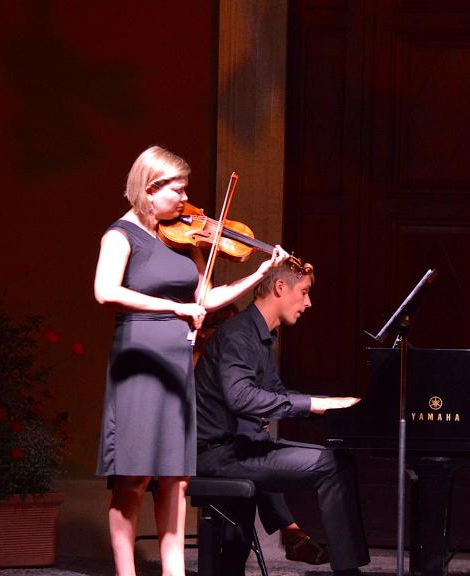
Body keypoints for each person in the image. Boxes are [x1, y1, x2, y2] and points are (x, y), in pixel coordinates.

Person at [93, 145, 290, 576]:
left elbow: (206, 297)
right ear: (149, 189)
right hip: (141, 362)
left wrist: (258, 274)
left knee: (175, 478)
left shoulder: (182, 240)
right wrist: (175, 309)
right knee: (134, 478)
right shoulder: (120, 235)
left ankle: (174, 571)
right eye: (176, 191)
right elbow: (105, 291)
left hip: (177, 363)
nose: (184, 200)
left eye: (185, 190)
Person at [194, 261, 369, 576]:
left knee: (338, 462)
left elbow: (277, 393)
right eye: (303, 292)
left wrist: (332, 405)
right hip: (216, 454)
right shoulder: (239, 335)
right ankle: (348, 572)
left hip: (236, 449)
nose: (308, 303)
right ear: (279, 287)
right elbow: (240, 397)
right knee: (333, 465)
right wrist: (314, 404)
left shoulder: (258, 336)